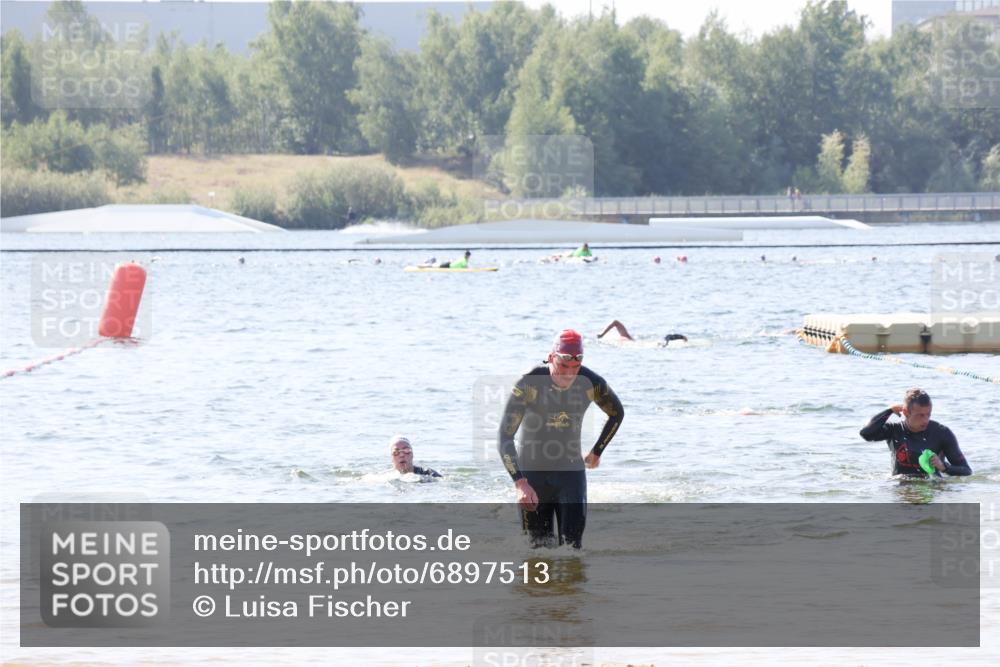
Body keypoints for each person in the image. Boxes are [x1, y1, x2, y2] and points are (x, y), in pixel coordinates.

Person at [498, 329, 624, 548]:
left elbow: (617, 413)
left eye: (575, 368)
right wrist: (519, 482)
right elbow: (505, 436)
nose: (568, 374)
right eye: (563, 366)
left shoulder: (590, 382)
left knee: (572, 552)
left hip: (571, 475)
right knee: (537, 553)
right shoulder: (529, 382)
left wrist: (597, 451)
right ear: (551, 357)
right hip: (533, 478)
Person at [859, 388, 971, 478]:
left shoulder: (941, 432)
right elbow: (866, 434)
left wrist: (944, 467)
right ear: (906, 412)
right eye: (920, 415)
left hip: (932, 489)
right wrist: (889, 411)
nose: (926, 420)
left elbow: (966, 470)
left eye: (928, 414)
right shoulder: (894, 429)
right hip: (901, 486)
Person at [597, 320, 687, 346]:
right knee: (662, 342)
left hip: (639, 344)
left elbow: (615, 322)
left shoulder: (625, 337)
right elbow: (615, 322)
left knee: (661, 342)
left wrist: (602, 335)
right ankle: (680, 337)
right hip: (639, 344)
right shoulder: (624, 337)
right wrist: (602, 334)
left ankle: (680, 337)